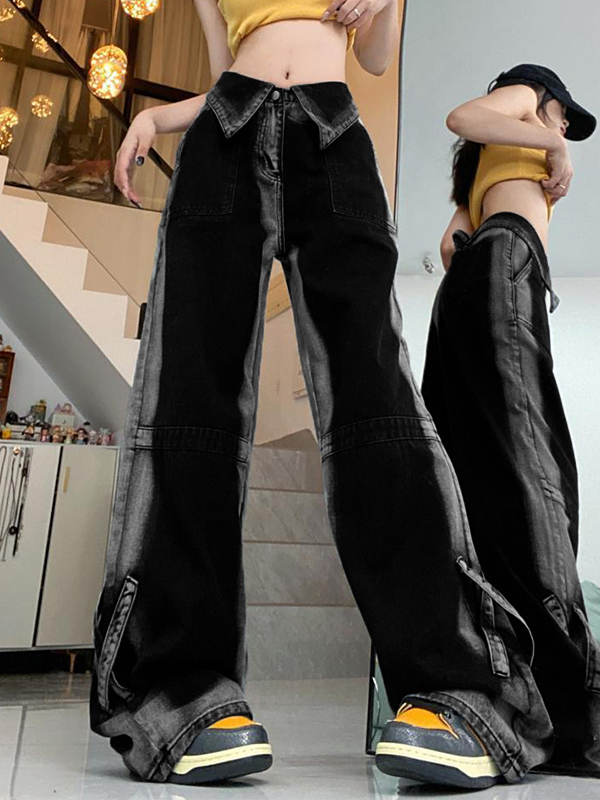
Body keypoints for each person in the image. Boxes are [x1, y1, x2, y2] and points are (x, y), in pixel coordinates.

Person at [87, 0, 581, 785]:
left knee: (375, 404)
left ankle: (450, 684)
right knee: (192, 400)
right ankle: (182, 688)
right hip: (224, 131)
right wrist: (155, 116)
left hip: (333, 131)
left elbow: (375, 57)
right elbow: (223, 77)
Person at [420, 63, 600, 786]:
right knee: (536, 477)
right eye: (564, 116)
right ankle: (577, 713)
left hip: (469, 286)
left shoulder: (477, 177)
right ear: (542, 98)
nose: (565, 129)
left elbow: (449, 247)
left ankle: (504, 692)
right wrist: (553, 147)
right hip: (505, 263)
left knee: (479, 486)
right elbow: (462, 115)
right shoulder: (525, 97)